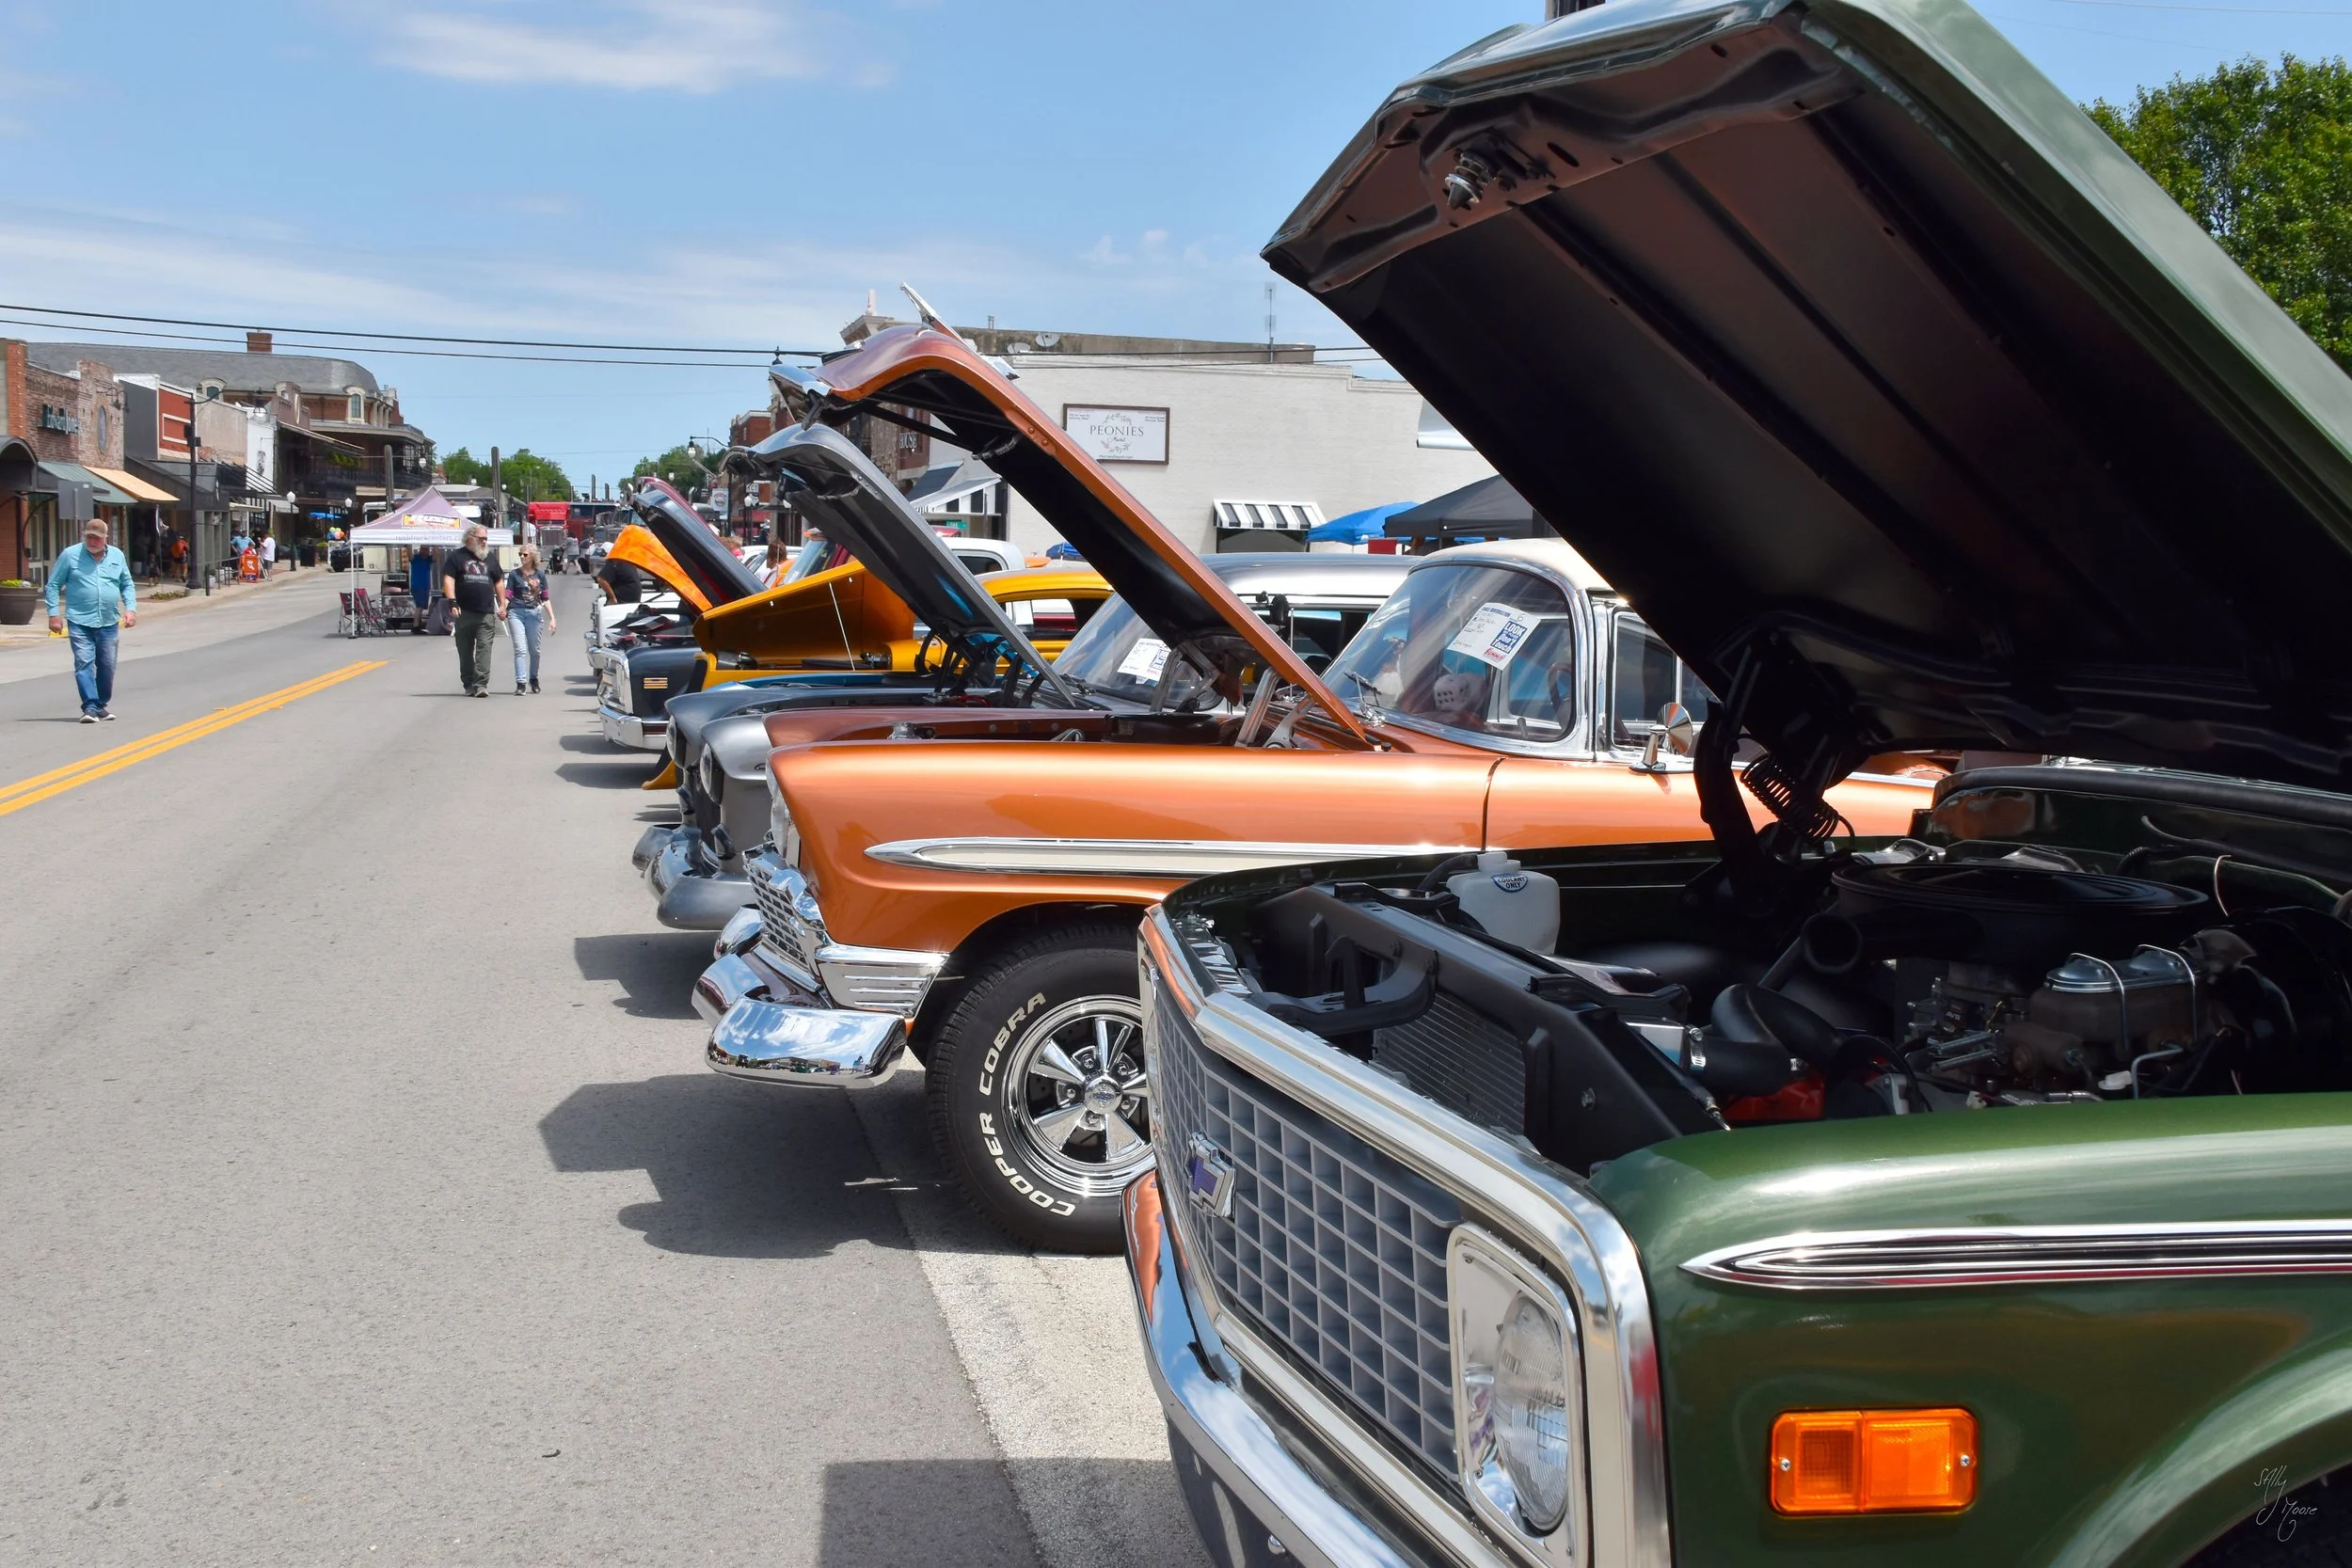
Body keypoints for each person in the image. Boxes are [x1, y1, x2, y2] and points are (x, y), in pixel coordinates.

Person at [44, 518, 137, 722]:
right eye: (89, 537)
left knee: (107, 665)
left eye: (96, 538)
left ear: (106, 539)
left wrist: (130, 608)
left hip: (108, 621)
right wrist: (53, 614)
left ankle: (99, 704)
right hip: (79, 620)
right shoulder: (70, 555)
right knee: (83, 663)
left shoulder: (116, 555)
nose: (92, 541)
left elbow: (127, 584)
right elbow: (53, 585)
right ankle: (89, 706)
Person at [441, 524, 506, 697]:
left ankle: (481, 685)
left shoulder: (490, 558)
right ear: (470, 538)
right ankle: (468, 683)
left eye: (486, 539)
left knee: (484, 649)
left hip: (486, 613)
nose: (484, 542)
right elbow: (449, 579)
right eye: (481, 538)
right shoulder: (457, 556)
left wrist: (502, 604)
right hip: (464, 612)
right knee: (465, 650)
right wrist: (452, 602)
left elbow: (499, 581)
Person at [504, 546, 554, 694]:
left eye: (525, 554)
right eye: (520, 554)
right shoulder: (514, 575)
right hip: (516, 612)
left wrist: (552, 618)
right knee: (520, 649)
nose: (521, 557)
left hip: (534, 613)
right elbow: (508, 594)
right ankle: (520, 683)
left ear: (532, 556)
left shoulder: (540, 575)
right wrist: (502, 608)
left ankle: (534, 678)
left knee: (535, 650)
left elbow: (545, 598)